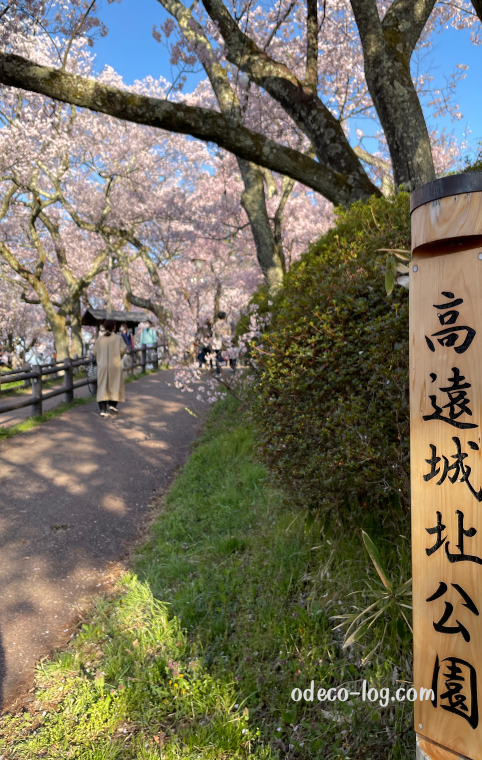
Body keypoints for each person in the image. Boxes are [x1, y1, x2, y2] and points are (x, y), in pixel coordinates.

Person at [92, 320, 126, 417]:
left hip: (102, 365)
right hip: (115, 364)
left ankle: (103, 409)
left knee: (102, 385)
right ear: (114, 327)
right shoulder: (118, 338)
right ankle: (112, 404)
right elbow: (123, 350)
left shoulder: (100, 339)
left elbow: (94, 352)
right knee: (115, 384)